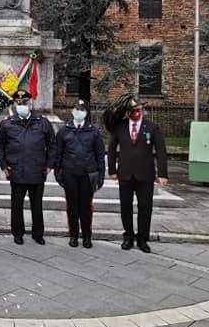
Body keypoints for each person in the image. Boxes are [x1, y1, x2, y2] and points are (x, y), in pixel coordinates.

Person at [0, 89, 55, 245]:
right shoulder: (7, 123)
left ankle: (38, 234)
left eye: (24, 103)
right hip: (16, 171)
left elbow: (52, 145)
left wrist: (49, 164)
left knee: (37, 205)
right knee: (17, 205)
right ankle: (18, 233)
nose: (22, 105)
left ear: (30, 103)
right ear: (15, 104)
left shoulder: (42, 122)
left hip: (37, 170)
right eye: (18, 103)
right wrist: (3, 165)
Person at [107, 97, 167, 253]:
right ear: (128, 113)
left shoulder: (153, 127)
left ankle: (142, 239)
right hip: (125, 174)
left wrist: (162, 174)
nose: (137, 113)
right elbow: (112, 148)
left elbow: (161, 151)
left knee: (145, 207)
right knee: (125, 207)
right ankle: (128, 236)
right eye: (133, 111)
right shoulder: (119, 127)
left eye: (139, 110)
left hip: (145, 174)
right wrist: (112, 170)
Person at [55, 99, 105, 248]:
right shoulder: (64, 131)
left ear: (86, 113)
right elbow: (58, 153)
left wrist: (101, 175)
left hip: (88, 174)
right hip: (70, 173)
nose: (79, 112)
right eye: (76, 109)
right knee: (72, 206)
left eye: (82, 110)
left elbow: (100, 155)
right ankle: (74, 235)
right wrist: (58, 173)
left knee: (86, 207)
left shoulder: (93, 131)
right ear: (72, 111)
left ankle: (87, 236)